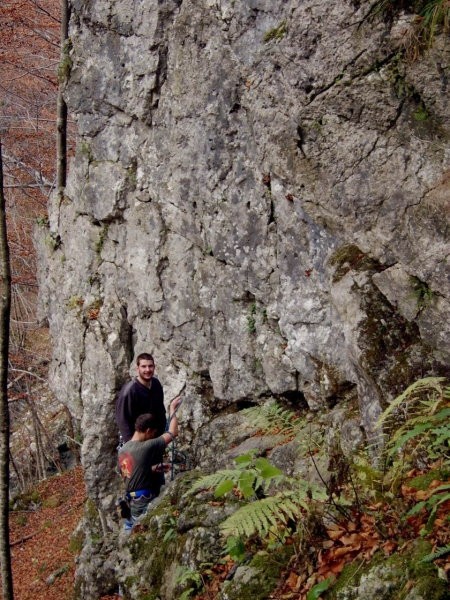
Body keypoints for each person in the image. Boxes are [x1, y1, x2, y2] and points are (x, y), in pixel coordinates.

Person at [118, 396, 181, 530]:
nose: (153, 436)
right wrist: (172, 410)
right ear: (147, 431)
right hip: (143, 502)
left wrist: (151, 468)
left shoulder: (123, 450)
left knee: (131, 534)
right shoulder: (145, 447)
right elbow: (173, 432)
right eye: (153, 433)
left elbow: (129, 472)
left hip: (130, 502)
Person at [115, 353, 166, 444]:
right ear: (137, 368)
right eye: (143, 366)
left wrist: (160, 437)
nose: (147, 370)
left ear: (154, 367)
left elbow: (160, 411)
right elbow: (123, 420)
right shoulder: (129, 391)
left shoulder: (156, 384)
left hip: (153, 438)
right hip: (134, 440)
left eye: (150, 366)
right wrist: (132, 445)